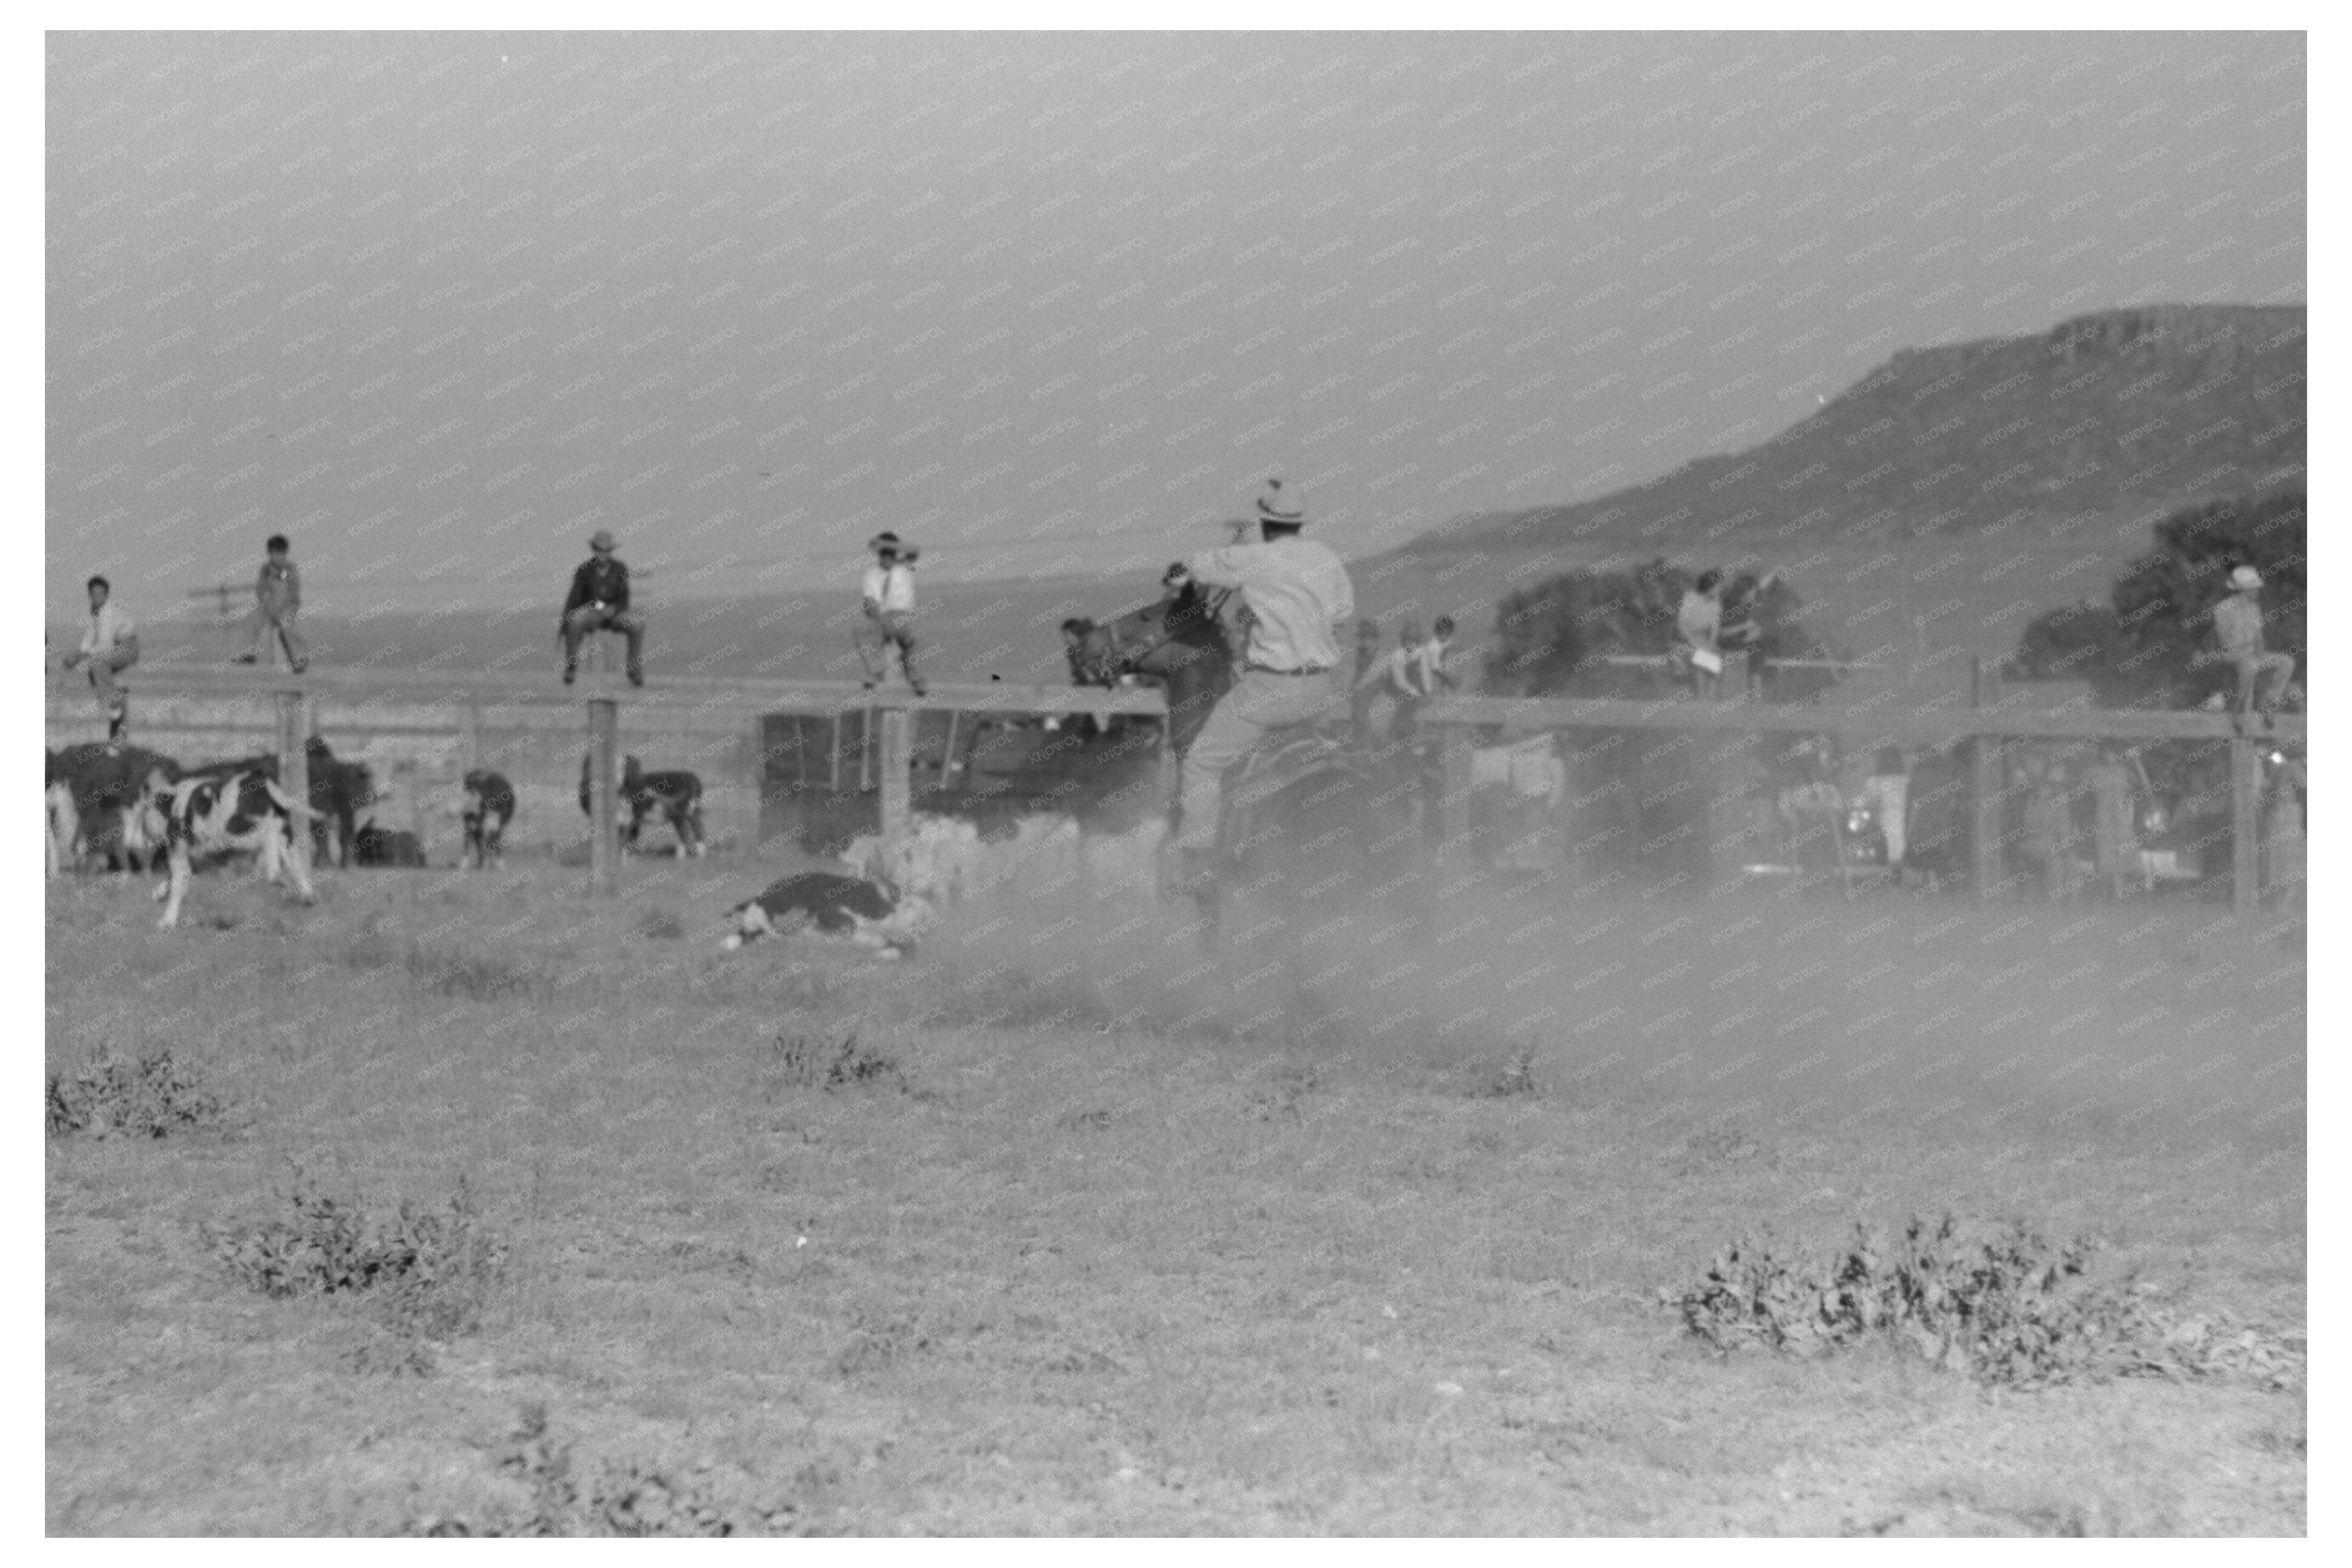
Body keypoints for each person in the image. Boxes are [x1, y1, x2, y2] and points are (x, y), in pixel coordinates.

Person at [1164, 478, 1355, 889]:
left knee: (1201, 762)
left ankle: (1197, 867)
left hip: (1272, 692)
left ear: (1265, 523)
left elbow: (1198, 565)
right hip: (1323, 689)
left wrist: (1180, 574)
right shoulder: (1326, 557)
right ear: (1300, 522)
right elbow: (1341, 614)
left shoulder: (1255, 558)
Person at [2209, 564, 2295, 726]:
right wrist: (2246, 649)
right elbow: (2224, 641)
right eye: (2254, 588)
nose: (2257, 591)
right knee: (2250, 666)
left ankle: (2269, 702)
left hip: (2252, 653)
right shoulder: (2223, 609)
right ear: (2245, 590)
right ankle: (2239, 708)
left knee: (2287, 662)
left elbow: (2258, 636)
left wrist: (2260, 649)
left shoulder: (2254, 608)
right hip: (2233, 654)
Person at [560, 529, 644, 687]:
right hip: (592, 612)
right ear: (594, 550)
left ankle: (634, 670)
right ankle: (571, 666)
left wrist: (614, 609)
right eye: (600, 550)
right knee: (576, 621)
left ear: (611, 551)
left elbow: (624, 597)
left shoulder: (620, 568)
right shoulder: (584, 570)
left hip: (615, 613)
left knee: (637, 625)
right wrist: (599, 607)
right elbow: (580, 598)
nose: (603, 554)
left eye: (606, 550)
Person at [63, 574, 138, 741]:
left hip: (127, 647)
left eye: (102, 594)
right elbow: (90, 636)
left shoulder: (107, 613)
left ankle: (114, 705)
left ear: (107, 594)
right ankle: (115, 705)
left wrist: (80, 656)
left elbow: (105, 643)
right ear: (89, 595)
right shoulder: (96, 612)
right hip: (118, 647)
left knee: (97, 661)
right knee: (94, 668)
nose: (98, 598)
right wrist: (77, 656)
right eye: (94, 594)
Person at [856, 531, 925, 697]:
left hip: (903, 617)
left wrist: (886, 544)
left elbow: (915, 549)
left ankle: (915, 678)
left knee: (909, 643)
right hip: (882, 618)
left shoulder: (904, 567)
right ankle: (876, 673)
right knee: (861, 633)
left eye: (891, 552)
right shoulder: (871, 574)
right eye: (884, 552)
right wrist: (880, 621)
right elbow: (870, 603)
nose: (887, 556)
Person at [233, 533, 309, 673]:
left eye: (282, 553)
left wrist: (279, 610)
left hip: (288, 606)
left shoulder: (291, 568)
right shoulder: (266, 569)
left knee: (287, 626)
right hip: (270, 606)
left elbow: (293, 592)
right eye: (276, 553)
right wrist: (266, 607)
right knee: (252, 619)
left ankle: (300, 658)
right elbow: (261, 590)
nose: (279, 557)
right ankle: (247, 654)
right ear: (270, 553)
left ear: (286, 553)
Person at [1674, 569, 1727, 696]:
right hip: (1683, 640)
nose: (1720, 589)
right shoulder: (1691, 597)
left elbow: (1715, 627)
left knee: (1714, 657)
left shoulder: (1715, 604)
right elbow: (1682, 624)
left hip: (1702, 640)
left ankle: (1710, 697)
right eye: (1718, 586)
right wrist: (1694, 642)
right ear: (1710, 586)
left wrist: (1711, 645)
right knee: (1700, 656)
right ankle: (1701, 697)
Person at [1859, 745, 1910, 873]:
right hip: (1904, 822)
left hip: (1882, 823)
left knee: (1862, 819)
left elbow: (1864, 805)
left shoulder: (1874, 782)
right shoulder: (1907, 781)